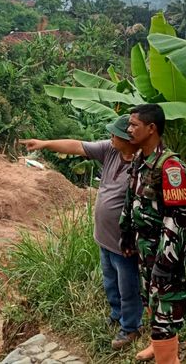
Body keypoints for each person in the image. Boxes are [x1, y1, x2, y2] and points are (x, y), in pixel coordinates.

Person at [20, 114, 144, 350]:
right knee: (110, 282)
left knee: (129, 288)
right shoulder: (110, 150)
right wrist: (45, 144)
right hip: (104, 238)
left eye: (115, 135)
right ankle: (116, 315)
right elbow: (76, 146)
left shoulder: (144, 165)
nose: (110, 138)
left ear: (129, 139)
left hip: (125, 243)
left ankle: (130, 328)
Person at [120, 104, 186, 364]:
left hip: (165, 252)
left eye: (134, 125)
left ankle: (168, 358)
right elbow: (132, 199)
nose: (128, 129)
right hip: (144, 249)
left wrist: (166, 261)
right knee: (149, 297)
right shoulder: (141, 159)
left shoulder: (171, 167)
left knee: (165, 308)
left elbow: (177, 219)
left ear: (151, 129)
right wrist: (126, 233)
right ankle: (157, 345)